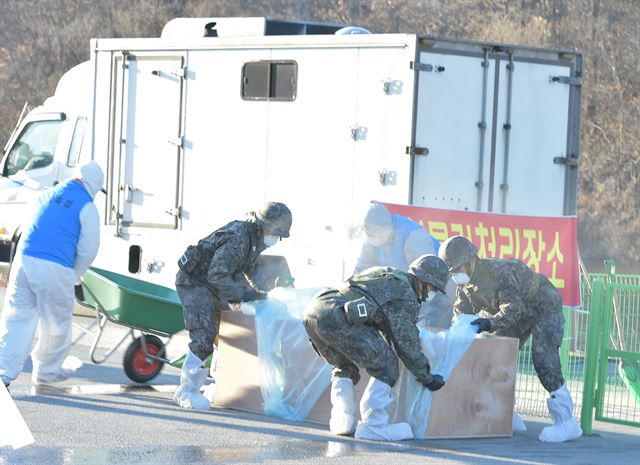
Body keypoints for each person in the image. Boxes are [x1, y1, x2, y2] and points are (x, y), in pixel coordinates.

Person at [438, 235, 583, 443]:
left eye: (458, 269)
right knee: (497, 355)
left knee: (544, 358)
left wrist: (487, 323)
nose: (456, 275)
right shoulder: (466, 286)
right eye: (452, 272)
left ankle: (566, 421)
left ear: (471, 261)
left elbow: (514, 308)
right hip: (521, 312)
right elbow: (461, 315)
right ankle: (505, 415)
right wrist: (456, 334)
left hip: (543, 305)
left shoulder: (497, 272)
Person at [303, 254, 448, 441]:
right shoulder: (406, 295)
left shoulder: (386, 273)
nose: (433, 293)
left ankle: (342, 420)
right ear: (424, 281)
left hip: (315, 310)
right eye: (434, 288)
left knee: (344, 366)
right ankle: (374, 425)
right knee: (387, 364)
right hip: (339, 316)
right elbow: (406, 344)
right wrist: (426, 376)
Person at [173, 202, 293, 410]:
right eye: (277, 233)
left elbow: (251, 271)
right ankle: (187, 391)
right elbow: (217, 274)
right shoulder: (239, 239)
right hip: (195, 281)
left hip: (211, 283)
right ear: (268, 227)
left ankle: (221, 385)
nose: (276, 239)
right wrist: (243, 295)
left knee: (227, 330)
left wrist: (265, 294)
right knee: (205, 333)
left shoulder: (253, 240)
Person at [0, 161, 104, 387]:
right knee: (56, 323)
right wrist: (74, 274)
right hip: (54, 267)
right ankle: (46, 371)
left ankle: (3, 372)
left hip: (23, 260)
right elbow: (88, 250)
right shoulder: (87, 207)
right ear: (94, 185)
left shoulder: (46, 193)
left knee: (17, 317)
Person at [355, 203, 455, 329]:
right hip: (412, 292)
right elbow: (361, 271)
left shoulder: (413, 236)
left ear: (385, 227)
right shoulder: (371, 239)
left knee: (430, 331)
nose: (370, 238)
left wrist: (419, 313)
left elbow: (429, 280)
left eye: (373, 234)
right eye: (368, 234)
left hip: (436, 290)